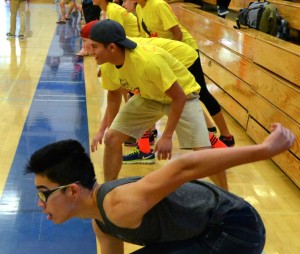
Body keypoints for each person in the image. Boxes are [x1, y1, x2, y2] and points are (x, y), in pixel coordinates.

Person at [24, 123, 295, 254]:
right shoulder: (102, 223)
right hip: (211, 229)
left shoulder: (117, 205)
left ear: (73, 191)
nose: (39, 203)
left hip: (235, 228)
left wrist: (264, 150)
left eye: (43, 193)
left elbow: (184, 167)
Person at [89, 20, 229, 189]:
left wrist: (167, 136)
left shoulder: (149, 61)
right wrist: (109, 129)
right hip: (149, 96)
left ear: (111, 47)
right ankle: (108, 193)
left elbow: (178, 97)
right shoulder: (108, 65)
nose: (91, 51)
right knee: (112, 138)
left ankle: (227, 198)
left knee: (203, 153)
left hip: (182, 96)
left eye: (95, 46)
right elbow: (113, 96)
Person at [135, 0, 234, 146]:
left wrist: (170, 59)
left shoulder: (158, 5)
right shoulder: (139, 8)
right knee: (167, 93)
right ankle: (148, 133)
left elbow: (178, 34)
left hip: (185, 52)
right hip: (167, 55)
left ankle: (227, 136)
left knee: (202, 93)